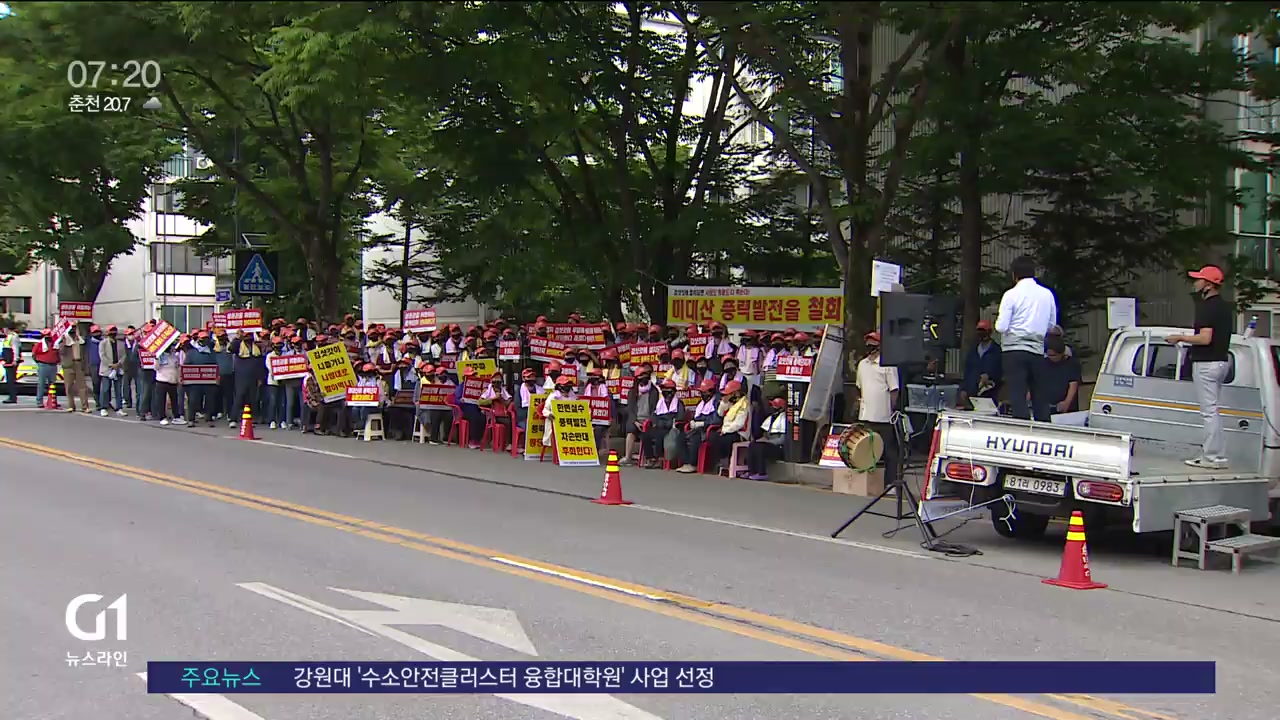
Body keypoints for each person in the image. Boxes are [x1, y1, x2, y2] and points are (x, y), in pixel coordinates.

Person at [1166, 265, 1234, 469]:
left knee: (1209, 411)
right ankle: (1217, 454)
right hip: (1221, 362)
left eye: (1199, 279)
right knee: (1213, 410)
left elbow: (1205, 338)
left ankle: (1212, 456)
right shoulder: (1224, 307)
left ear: (1209, 285)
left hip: (1206, 363)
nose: (1195, 283)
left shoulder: (1207, 307)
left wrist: (1180, 338)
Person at [995, 255, 1057, 421]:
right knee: (1040, 395)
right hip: (1037, 350)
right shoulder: (1047, 294)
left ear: (1014, 274)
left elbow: (1001, 327)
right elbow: (1051, 324)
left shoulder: (1011, 295)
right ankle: (1044, 428)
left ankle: (1022, 427)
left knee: (1018, 394)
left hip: (1013, 350)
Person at [854, 331, 901, 487]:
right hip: (865, 415)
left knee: (889, 452)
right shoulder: (862, 364)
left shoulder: (888, 365)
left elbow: (894, 390)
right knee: (866, 450)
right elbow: (859, 386)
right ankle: (867, 483)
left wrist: (891, 410)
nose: (869, 347)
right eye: (868, 344)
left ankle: (890, 483)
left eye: (873, 344)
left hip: (883, 416)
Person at [676, 378, 722, 474]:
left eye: (704, 392)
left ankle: (693, 463)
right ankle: (686, 462)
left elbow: (716, 420)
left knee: (695, 438)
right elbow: (697, 417)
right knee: (680, 437)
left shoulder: (716, 403)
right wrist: (693, 422)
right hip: (697, 429)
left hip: (709, 430)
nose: (702, 394)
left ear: (711, 392)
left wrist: (702, 423)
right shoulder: (701, 404)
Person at [959, 319, 1002, 409]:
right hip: (972, 393)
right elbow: (967, 370)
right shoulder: (973, 351)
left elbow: (1001, 370)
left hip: (989, 394)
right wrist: (963, 389)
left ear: (989, 332)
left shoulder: (997, 351)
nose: (981, 334)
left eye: (984, 331)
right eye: (979, 331)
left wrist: (989, 376)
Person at [644, 379, 686, 468]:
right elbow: (654, 415)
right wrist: (656, 422)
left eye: (667, 390)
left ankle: (660, 459)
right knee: (646, 435)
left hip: (671, 428)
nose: (665, 392)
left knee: (659, 435)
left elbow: (680, 418)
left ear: (673, 392)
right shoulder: (660, 402)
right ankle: (650, 458)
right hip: (659, 425)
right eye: (663, 390)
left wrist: (667, 423)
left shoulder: (679, 404)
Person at [622, 363, 658, 466]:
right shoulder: (632, 392)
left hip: (648, 421)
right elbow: (630, 409)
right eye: (641, 376)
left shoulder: (654, 391)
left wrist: (649, 421)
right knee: (631, 429)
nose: (643, 378)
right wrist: (635, 422)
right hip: (636, 420)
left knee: (648, 432)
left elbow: (655, 409)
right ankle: (628, 457)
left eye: (645, 375)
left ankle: (649, 458)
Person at [229, 330, 265, 427]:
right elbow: (231, 348)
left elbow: (260, 363)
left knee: (253, 398)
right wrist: (237, 337)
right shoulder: (238, 345)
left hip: (253, 376)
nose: (248, 338)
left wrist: (260, 377)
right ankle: (233, 419)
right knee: (239, 397)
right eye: (246, 336)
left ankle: (251, 419)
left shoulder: (256, 347)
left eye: (250, 336)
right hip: (241, 376)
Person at [747, 397, 788, 481]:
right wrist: (762, 439)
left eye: (775, 406)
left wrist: (768, 442)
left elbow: (782, 440)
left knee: (761, 448)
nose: (772, 407)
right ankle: (751, 471)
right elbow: (766, 434)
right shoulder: (771, 417)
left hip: (778, 447)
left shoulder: (784, 419)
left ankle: (762, 473)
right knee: (752, 445)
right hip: (768, 443)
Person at [715, 380, 750, 474]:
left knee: (726, 439)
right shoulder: (731, 403)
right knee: (714, 437)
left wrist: (725, 430)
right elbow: (720, 413)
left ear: (736, 393)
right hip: (727, 430)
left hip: (740, 433)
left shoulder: (744, 404)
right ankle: (723, 462)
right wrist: (723, 403)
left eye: (729, 394)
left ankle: (726, 462)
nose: (727, 396)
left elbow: (739, 424)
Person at [1040, 336, 1082, 416]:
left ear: (1062, 353)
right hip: (1047, 406)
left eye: (1054, 355)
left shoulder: (1072, 364)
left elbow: (1073, 385)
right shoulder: (1043, 363)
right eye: (1049, 355)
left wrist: (1067, 402)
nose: (1051, 357)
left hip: (1067, 408)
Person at [59, 325, 91, 412]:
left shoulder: (80, 341)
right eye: (71, 330)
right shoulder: (65, 341)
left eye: (74, 329)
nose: (73, 332)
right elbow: (61, 352)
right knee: (69, 386)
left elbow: (85, 354)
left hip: (79, 364)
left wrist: (85, 366)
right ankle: (71, 406)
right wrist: (63, 343)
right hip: (68, 365)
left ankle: (85, 406)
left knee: (82, 387)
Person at [97, 325, 126, 416]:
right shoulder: (103, 343)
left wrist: (118, 364)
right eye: (111, 331)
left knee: (118, 390)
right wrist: (111, 364)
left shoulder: (121, 344)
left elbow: (124, 355)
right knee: (105, 389)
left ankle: (119, 408)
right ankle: (103, 407)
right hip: (106, 369)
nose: (113, 333)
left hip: (118, 369)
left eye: (114, 331)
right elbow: (102, 356)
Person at [152, 344, 181, 425]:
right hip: (162, 380)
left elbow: (177, 367)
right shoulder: (160, 356)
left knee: (174, 400)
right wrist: (156, 358)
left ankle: (176, 416)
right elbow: (156, 368)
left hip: (172, 380)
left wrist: (178, 378)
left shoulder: (174, 356)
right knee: (161, 400)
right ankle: (162, 417)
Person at [32, 329, 61, 406]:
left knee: (53, 384)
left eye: (49, 335)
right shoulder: (39, 344)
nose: (48, 337)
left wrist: (57, 361)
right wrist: (39, 362)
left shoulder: (55, 344)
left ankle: (53, 401)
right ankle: (39, 401)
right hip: (43, 365)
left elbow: (58, 354)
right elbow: (34, 354)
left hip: (53, 365)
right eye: (46, 335)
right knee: (41, 384)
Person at [2, 326, 21, 404]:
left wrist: (15, 360)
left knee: (11, 380)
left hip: (11, 361)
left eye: (4, 329)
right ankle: (11, 396)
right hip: (8, 361)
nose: (3, 331)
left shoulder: (13, 336)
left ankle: (12, 397)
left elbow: (15, 349)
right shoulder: (8, 337)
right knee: (9, 380)